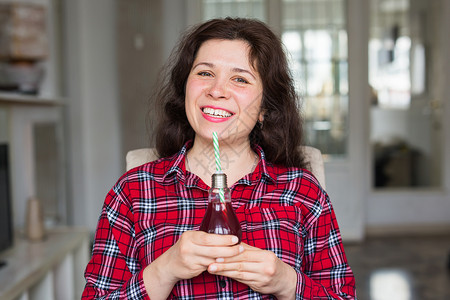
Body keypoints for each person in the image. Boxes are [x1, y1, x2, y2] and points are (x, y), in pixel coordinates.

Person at [82, 17, 356, 299]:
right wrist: (165, 269)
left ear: (265, 108)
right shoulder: (133, 192)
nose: (216, 90)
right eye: (204, 73)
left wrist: (287, 282)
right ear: (185, 89)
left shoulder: (302, 191)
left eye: (239, 79)